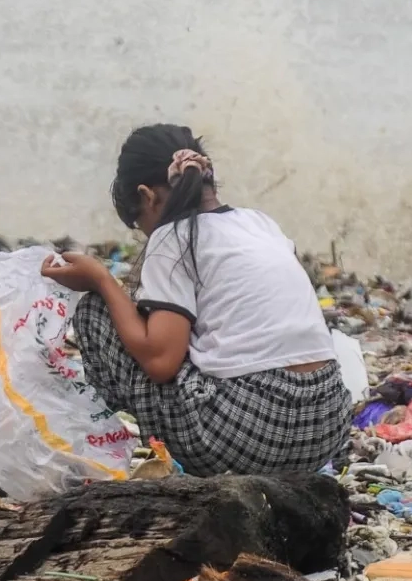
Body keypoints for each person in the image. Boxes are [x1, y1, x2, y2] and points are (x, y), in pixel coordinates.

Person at [39, 124, 350, 476]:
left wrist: (100, 279)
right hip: (325, 426)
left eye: (140, 222)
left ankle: (126, 454)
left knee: (97, 312)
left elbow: (161, 362)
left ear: (147, 196)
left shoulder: (174, 237)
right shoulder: (260, 224)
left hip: (248, 438)